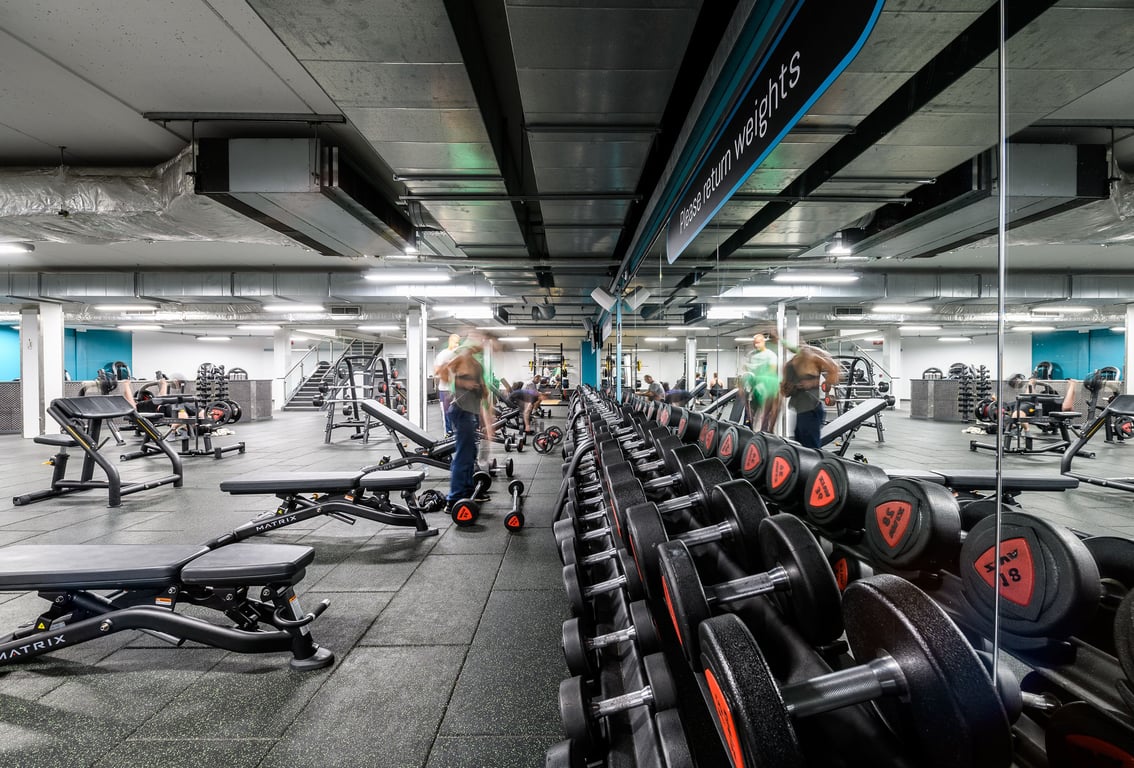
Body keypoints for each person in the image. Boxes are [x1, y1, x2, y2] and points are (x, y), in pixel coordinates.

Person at [444, 338, 490, 511]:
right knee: (463, 455)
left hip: (470, 411)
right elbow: (446, 372)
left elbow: (483, 392)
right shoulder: (462, 357)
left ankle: (469, 490)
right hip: (460, 410)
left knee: (471, 453)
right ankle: (454, 498)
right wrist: (466, 383)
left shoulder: (477, 365)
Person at [781, 344, 841, 450]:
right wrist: (789, 387)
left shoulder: (813, 358)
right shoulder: (789, 365)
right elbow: (785, 392)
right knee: (800, 446)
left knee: (810, 448)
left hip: (811, 409)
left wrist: (814, 382)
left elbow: (834, 369)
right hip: (800, 410)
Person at [742, 331, 789, 433]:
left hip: (767, 389)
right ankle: (751, 433)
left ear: (763, 342)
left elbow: (771, 371)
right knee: (751, 416)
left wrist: (758, 379)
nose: (756, 345)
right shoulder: (751, 355)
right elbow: (747, 369)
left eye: (758, 342)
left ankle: (766, 433)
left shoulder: (770, 355)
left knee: (766, 417)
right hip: (753, 390)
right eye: (754, 343)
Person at [433, 334, 461, 434]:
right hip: (445, 390)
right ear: (450, 341)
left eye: (458, 343)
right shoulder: (442, 355)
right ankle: (448, 433)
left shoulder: (459, 355)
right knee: (447, 413)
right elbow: (436, 371)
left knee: (459, 413)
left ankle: (458, 434)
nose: (457, 345)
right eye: (455, 342)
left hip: (457, 390)